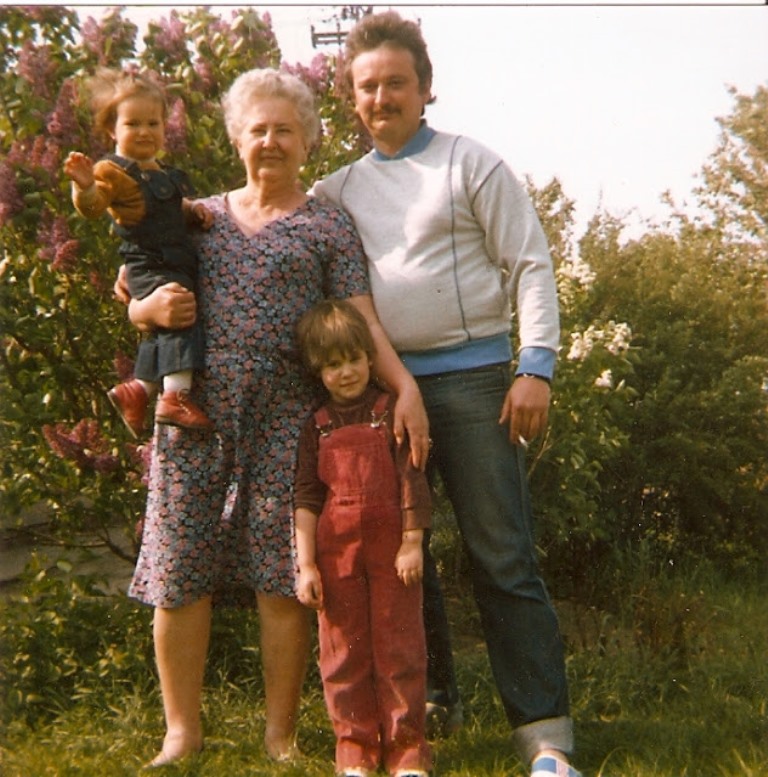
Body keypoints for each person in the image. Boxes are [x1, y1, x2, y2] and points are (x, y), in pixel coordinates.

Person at [117, 68, 429, 769]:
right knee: (180, 568)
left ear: (308, 139)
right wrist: (147, 310)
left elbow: (359, 317)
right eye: (257, 128)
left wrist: (402, 384)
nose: (270, 141)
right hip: (192, 415)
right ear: (236, 138)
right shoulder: (193, 217)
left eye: (284, 129)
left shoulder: (326, 225)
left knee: (283, 576)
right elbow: (132, 281)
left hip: (289, 423)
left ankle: (279, 735)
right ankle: (181, 733)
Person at [312, 11, 582, 777]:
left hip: (473, 384)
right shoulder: (338, 190)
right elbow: (263, 217)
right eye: (367, 86)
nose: (382, 96)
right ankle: (427, 708)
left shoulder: (472, 165)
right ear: (352, 99)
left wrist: (536, 366)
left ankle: (546, 737)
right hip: (381, 393)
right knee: (403, 560)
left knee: (502, 554)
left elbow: (530, 263)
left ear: (425, 89)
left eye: (397, 82)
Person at [294, 299, 432, 777]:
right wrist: (306, 564)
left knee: (400, 648)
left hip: (394, 554)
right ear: (318, 370)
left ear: (370, 359)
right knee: (342, 653)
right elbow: (306, 498)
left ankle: (407, 751)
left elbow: (412, 477)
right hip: (337, 557)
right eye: (332, 365)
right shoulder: (315, 427)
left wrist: (412, 540)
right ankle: (354, 750)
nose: (346, 372)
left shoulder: (388, 410)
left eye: (353, 359)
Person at [64, 67, 214, 438]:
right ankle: (175, 397)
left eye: (154, 122)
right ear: (112, 130)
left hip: (170, 258)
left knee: (162, 330)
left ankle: (139, 389)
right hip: (151, 261)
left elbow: (167, 208)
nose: (145, 131)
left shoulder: (160, 171)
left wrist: (192, 211)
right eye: (133, 124)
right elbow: (96, 205)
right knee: (180, 315)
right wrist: (84, 187)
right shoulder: (112, 171)